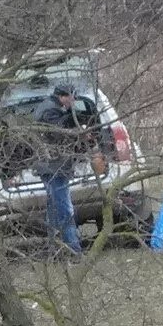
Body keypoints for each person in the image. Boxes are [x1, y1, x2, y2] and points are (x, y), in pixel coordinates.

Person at [33, 80, 109, 254]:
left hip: (52, 165)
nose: (73, 101)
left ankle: (54, 247)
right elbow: (58, 132)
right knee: (65, 208)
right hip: (53, 166)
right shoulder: (50, 111)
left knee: (53, 207)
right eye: (72, 98)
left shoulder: (51, 107)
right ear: (63, 96)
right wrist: (78, 130)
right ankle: (74, 248)